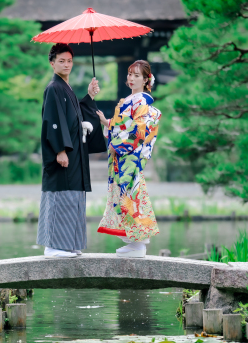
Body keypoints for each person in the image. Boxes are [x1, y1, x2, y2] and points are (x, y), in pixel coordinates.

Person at [37, 43, 108, 258]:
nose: (66, 64)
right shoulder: (53, 88)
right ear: (52, 63)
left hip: (74, 152)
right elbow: (53, 122)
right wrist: (59, 150)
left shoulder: (65, 88)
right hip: (63, 153)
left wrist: (89, 96)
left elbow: (75, 114)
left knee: (74, 196)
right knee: (61, 197)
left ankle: (68, 244)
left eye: (69, 60)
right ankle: (53, 246)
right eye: (61, 61)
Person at [95, 60, 161, 258]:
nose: (131, 78)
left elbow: (137, 131)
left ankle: (138, 243)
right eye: (130, 74)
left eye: (137, 75)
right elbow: (121, 126)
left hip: (129, 155)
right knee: (127, 196)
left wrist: (117, 144)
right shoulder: (130, 100)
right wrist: (106, 122)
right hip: (122, 154)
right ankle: (134, 242)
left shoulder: (141, 101)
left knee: (130, 195)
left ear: (146, 79)